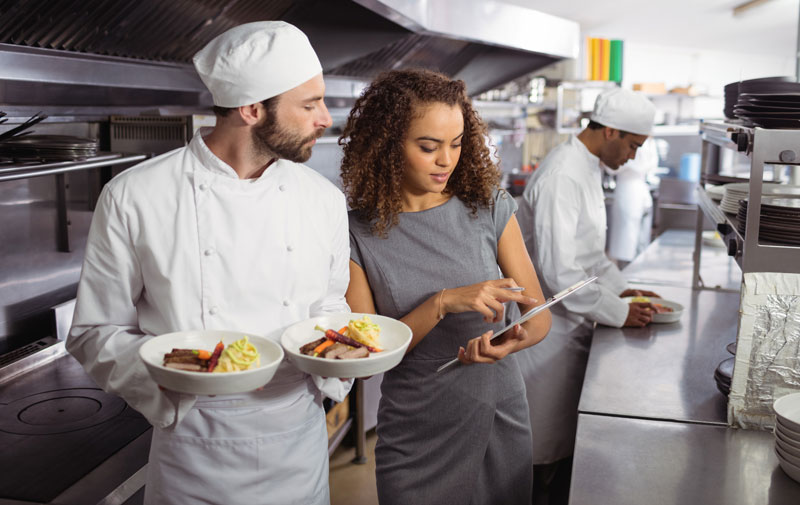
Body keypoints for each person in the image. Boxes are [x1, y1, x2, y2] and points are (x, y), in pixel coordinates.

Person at [67, 21, 351, 505]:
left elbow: (329, 302)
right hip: (193, 451)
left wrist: (336, 364)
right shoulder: (135, 196)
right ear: (251, 109)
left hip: (298, 449)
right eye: (309, 105)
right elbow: (94, 331)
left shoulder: (323, 199)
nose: (325, 118)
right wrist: (177, 385)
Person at [340, 68, 552, 505]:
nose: (446, 160)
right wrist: (441, 303)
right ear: (385, 145)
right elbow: (368, 355)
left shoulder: (488, 206)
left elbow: (538, 317)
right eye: (428, 146)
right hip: (415, 428)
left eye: (456, 144)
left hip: (497, 411)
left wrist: (510, 342)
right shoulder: (355, 233)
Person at [516, 87, 661, 505]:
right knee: (540, 446)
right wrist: (619, 311)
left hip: (571, 324)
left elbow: (590, 254)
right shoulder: (562, 174)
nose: (633, 156)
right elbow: (560, 271)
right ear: (611, 131)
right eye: (633, 145)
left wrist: (622, 289)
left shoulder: (587, 166)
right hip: (546, 332)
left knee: (559, 443)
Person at [607, 137, 659, 267]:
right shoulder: (649, 141)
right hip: (642, 192)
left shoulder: (626, 143)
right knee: (638, 239)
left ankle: (627, 272)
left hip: (628, 192)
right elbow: (653, 164)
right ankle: (636, 269)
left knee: (626, 239)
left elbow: (612, 168)